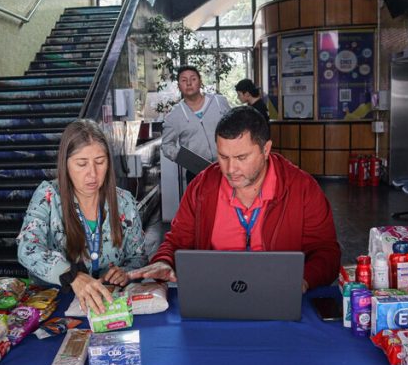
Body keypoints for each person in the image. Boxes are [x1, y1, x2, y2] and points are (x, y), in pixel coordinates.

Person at [130, 106, 341, 292]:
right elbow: (177, 240)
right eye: (223, 157)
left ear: (266, 150)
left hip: (280, 295)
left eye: (241, 158)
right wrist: (165, 261)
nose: (231, 169)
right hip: (215, 293)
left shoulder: (302, 188)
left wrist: (303, 280)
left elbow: (326, 252)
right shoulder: (202, 187)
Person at [17, 119, 147, 314]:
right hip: (55, 307)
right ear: (66, 164)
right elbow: (27, 248)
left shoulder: (124, 202)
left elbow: (138, 257)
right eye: (81, 164)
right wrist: (72, 276)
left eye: (100, 162)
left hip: (108, 307)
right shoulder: (48, 196)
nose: (92, 173)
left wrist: (125, 273)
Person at [161, 65, 231, 182]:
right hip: (197, 173)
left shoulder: (219, 102)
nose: (189, 83)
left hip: (227, 167)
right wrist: (186, 160)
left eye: (193, 79)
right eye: (184, 80)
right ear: (179, 86)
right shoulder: (174, 116)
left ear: (200, 82)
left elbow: (235, 128)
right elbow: (167, 145)